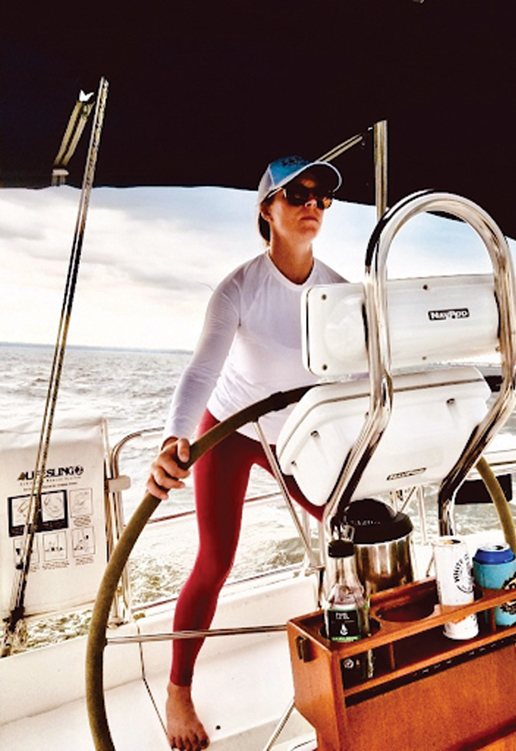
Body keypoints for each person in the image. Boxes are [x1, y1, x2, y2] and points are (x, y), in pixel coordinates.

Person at [146, 155, 345, 751]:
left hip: (298, 435)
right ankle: (179, 687)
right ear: (267, 210)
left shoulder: (339, 291)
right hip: (231, 429)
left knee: (353, 530)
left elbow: (355, 379)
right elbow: (202, 368)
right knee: (215, 558)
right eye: (296, 194)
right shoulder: (238, 288)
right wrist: (173, 436)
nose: (311, 204)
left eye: (321, 197)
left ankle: (362, 644)